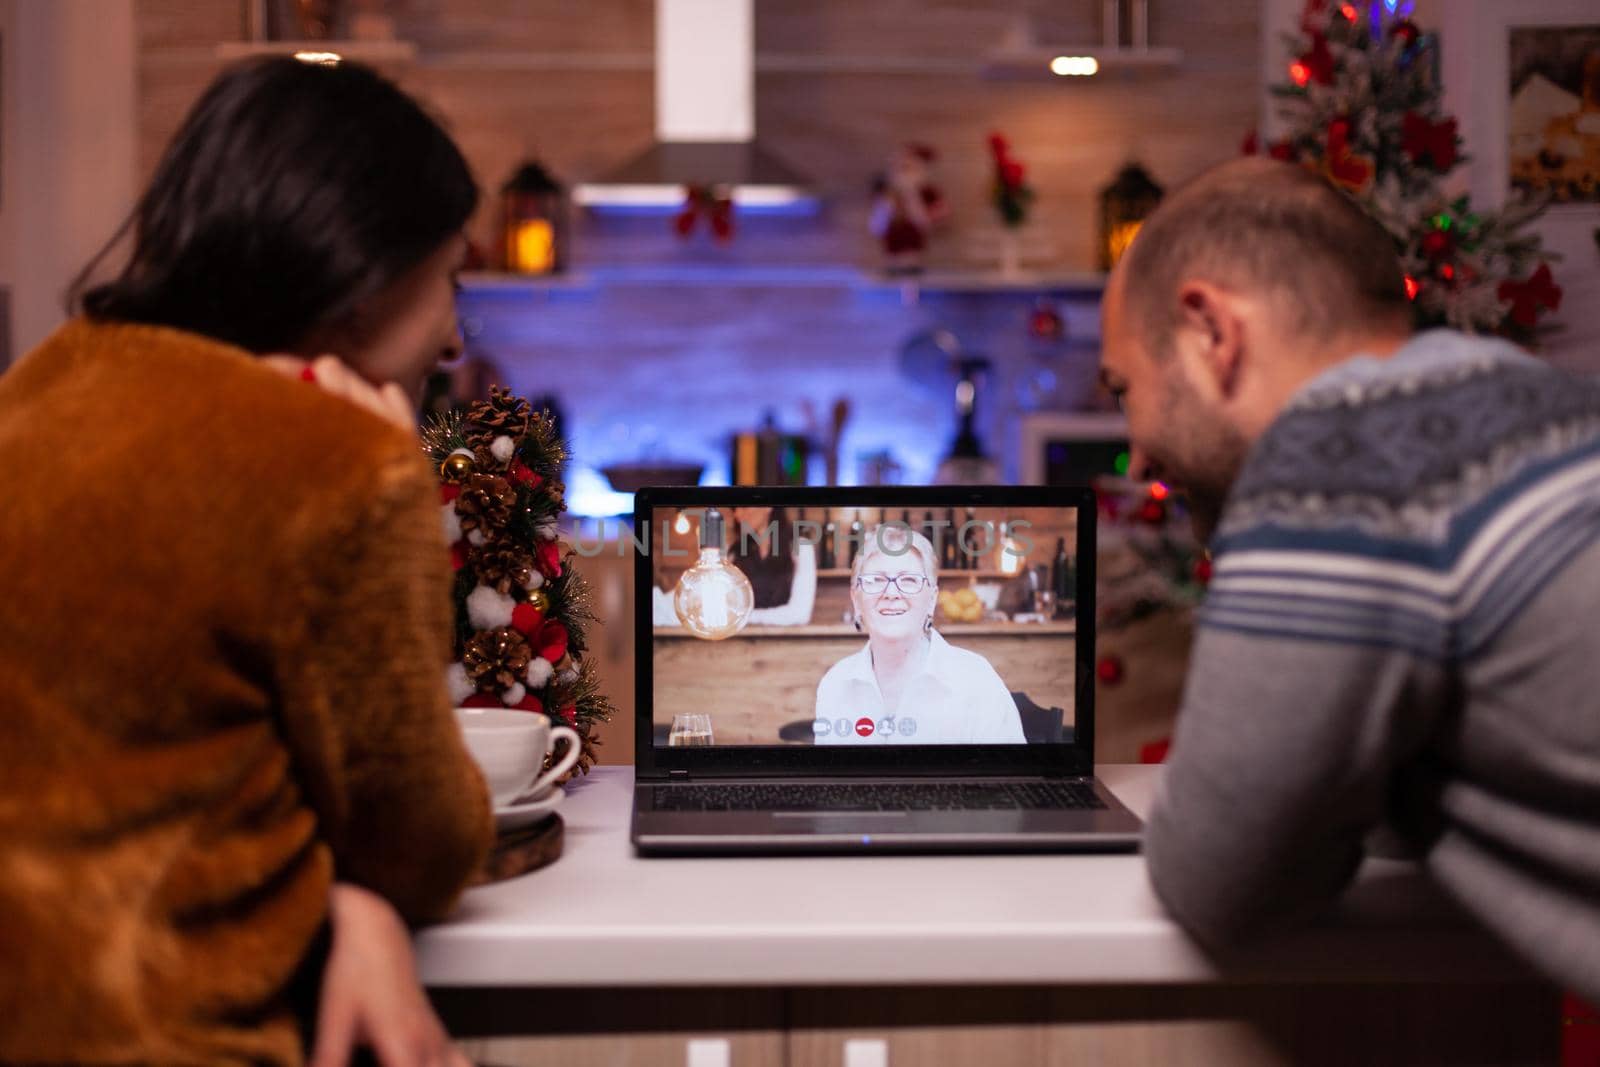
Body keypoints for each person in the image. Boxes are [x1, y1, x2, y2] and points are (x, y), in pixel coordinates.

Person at [0, 57, 495, 1064]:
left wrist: (344, 900)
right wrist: (368, 893)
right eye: (449, 276)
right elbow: (426, 841)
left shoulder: (39, 388)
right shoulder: (340, 463)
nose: (454, 331)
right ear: (360, 290)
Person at [1099, 156, 1600, 1003]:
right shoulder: (1540, 400)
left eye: (1125, 388)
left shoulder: (1336, 458)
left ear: (1210, 332)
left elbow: (1225, 880)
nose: (1137, 450)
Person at [814, 525, 1023, 744]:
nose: (892, 593)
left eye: (909, 580)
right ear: (856, 600)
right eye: (875, 580)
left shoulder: (976, 680)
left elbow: (1013, 774)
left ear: (932, 599)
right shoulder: (835, 684)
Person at [728, 506, 817, 625]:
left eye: (744, 507)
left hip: (787, 641)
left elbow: (800, 614)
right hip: (742, 641)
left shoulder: (800, 547)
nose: (737, 514)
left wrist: (747, 617)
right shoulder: (734, 553)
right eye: (734, 509)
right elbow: (726, 612)